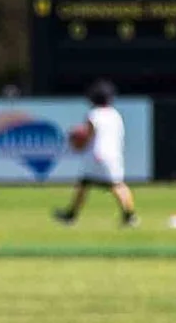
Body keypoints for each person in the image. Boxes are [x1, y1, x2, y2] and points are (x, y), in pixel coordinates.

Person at [55, 80, 136, 228]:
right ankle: (129, 215)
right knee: (111, 184)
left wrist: (77, 140)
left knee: (98, 184)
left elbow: (88, 135)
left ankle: (71, 215)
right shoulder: (115, 114)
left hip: (97, 155)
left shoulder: (94, 114)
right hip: (114, 154)